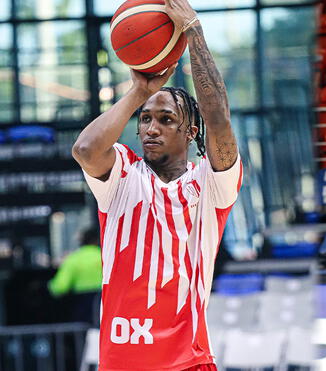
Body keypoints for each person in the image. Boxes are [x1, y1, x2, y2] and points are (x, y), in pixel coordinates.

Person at [71, 0, 242, 369]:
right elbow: (85, 149)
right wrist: (138, 91)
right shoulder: (123, 179)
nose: (151, 128)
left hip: (188, 362)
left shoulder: (211, 186)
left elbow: (219, 121)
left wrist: (193, 32)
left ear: (191, 131)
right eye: (145, 118)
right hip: (122, 362)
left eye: (166, 119)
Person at [48, 228, 102, 324]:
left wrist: (49, 286)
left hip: (82, 305)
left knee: (81, 335)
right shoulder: (103, 256)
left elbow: (60, 287)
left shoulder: (73, 259)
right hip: (104, 302)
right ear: (97, 240)